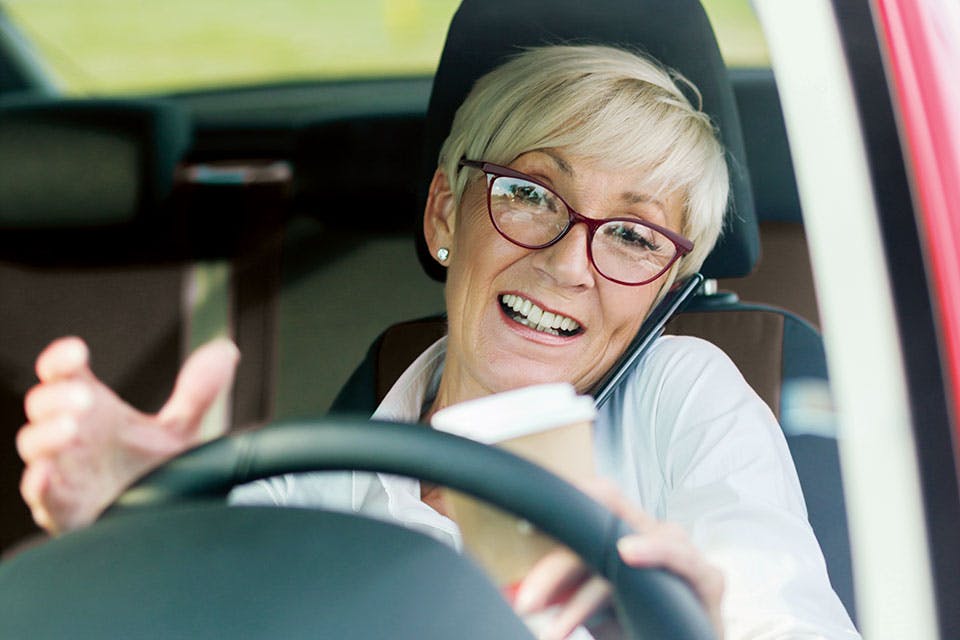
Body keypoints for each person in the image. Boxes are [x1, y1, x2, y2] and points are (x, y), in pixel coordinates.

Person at [16, 45, 858, 639]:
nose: (569, 263)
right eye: (531, 193)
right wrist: (129, 535)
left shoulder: (685, 393)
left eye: (634, 237)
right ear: (444, 212)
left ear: (665, 289)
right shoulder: (310, 485)